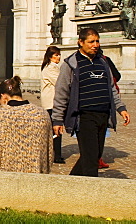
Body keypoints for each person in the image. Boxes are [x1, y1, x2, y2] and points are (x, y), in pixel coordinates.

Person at [51, 28, 130, 177]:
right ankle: (91, 194)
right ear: (80, 42)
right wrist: (57, 119)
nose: (95, 45)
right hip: (84, 116)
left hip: (103, 114)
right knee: (91, 159)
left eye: (97, 41)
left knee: (94, 154)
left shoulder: (103, 62)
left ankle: (71, 182)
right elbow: (61, 93)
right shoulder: (71, 64)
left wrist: (121, 108)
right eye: (91, 42)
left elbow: (111, 88)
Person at [0, 76, 53, 173]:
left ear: (4, 97)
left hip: (5, 177)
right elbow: (49, 153)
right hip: (35, 175)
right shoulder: (42, 114)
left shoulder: (0, 115)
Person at [40, 46, 65, 163]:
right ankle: (56, 155)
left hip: (50, 102)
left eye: (59, 54)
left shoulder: (52, 67)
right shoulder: (51, 68)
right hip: (52, 102)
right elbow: (59, 83)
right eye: (56, 55)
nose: (58, 57)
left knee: (54, 129)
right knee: (56, 128)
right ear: (50, 57)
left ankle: (54, 153)